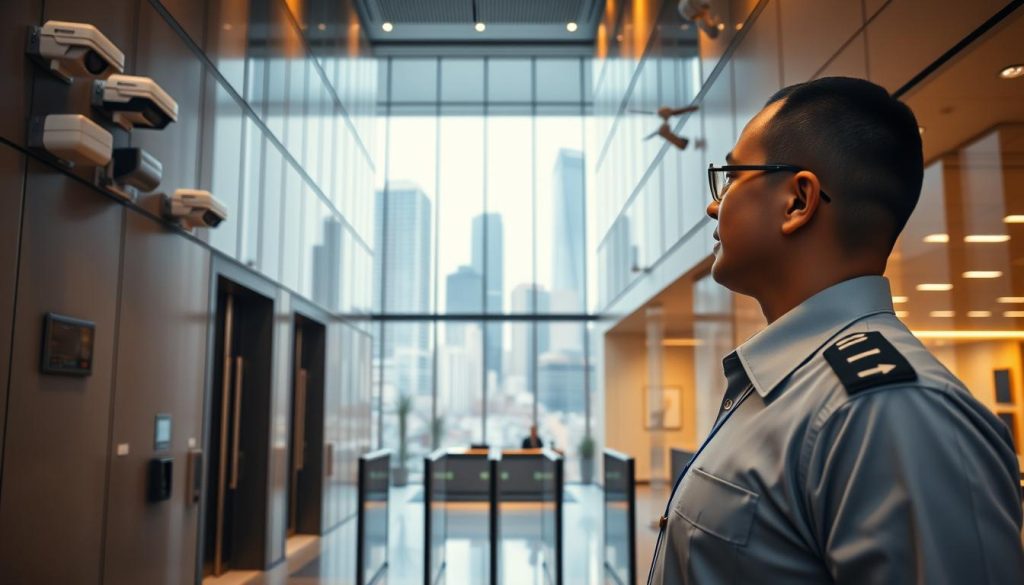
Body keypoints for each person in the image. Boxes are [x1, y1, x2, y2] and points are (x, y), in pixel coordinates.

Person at [647, 77, 1024, 584]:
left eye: (734, 177)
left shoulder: (886, 410)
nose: (715, 206)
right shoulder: (799, 389)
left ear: (798, 202)